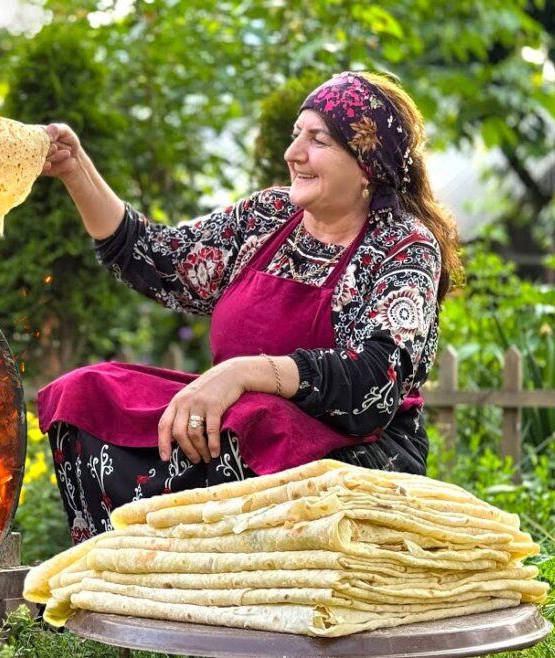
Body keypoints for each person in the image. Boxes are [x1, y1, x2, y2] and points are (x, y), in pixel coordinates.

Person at [36, 71, 464, 544]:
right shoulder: (268, 217)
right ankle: (113, 574)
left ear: (367, 164)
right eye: (295, 134)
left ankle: (199, 579)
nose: (293, 153)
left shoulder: (402, 246)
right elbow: (159, 259)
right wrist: (76, 169)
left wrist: (241, 374)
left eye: (317, 139)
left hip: (358, 452)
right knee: (85, 393)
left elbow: (372, 381)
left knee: (248, 419)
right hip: (236, 429)